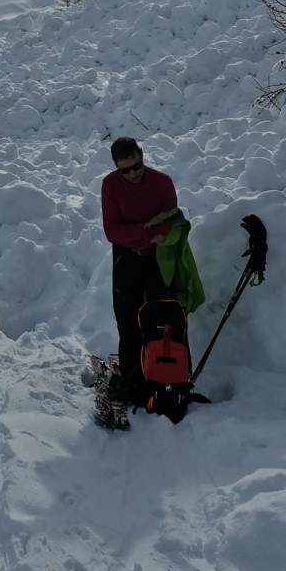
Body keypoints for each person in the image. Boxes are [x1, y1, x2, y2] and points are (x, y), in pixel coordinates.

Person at [100, 138, 179, 403]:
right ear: (116, 168)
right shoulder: (110, 185)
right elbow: (112, 231)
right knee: (127, 319)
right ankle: (131, 379)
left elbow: (171, 224)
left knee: (160, 318)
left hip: (159, 258)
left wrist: (138, 232)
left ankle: (161, 374)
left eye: (137, 166)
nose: (133, 174)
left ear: (142, 157)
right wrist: (147, 228)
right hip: (126, 259)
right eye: (125, 170)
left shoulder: (162, 182)